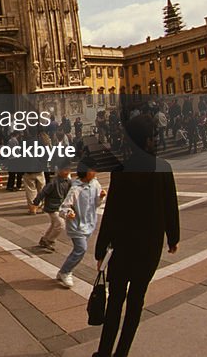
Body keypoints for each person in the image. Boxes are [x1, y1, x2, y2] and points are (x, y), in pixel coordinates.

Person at [94, 114, 180, 357]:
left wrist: (101, 250)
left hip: (122, 249)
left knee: (115, 302)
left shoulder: (121, 171)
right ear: (149, 139)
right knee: (135, 303)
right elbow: (170, 206)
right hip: (148, 249)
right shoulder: (163, 168)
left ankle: (103, 353)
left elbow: (110, 214)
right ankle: (121, 353)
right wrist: (173, 238)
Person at [55, 161, 104, 289]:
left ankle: (63, 271)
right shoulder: (76, 188)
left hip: (89, 223)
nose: (94, 173)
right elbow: (63, 208)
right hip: (76, 225)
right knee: (81, 249)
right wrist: (69, 213)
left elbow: (97, 204)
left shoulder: (95, 184)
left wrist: (101, 197)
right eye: (92, 170)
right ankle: (66, 272)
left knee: (78, 251)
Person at [32, 163, 73, 252]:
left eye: (68, 170)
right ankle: (50, 240)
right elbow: (43, 192)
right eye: (64, 170)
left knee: (55, 224)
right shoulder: (53, 182)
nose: (66, 172)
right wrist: (36, 202)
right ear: (58, 171)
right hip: (52, 207)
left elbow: (72, 192)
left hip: (61, 206)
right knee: (60, 224)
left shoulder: (69, 181)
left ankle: (45, 239)